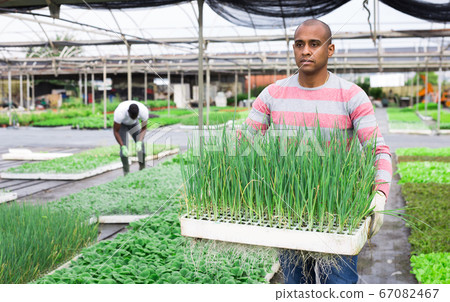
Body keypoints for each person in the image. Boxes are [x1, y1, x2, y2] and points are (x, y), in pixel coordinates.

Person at [242, 19, 392, 284]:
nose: (306, 51)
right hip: (288, 209)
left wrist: (379, 194)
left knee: (340, 284)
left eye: (314, 44)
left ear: (330, 50)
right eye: (299, 44)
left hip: (339, 212)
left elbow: (378, 150)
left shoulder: (351, 95)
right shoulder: (272, 94)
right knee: (297, 284)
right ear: (293, 49)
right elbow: (241, 144)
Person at [113, 100, 149, 175]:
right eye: (132, 117)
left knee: (141, 148)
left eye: (135, 117)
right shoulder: (120, 113)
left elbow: (144, 128)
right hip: (122, 124)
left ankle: (142, 169)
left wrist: (139, 141)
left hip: (134, 125)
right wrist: (122, 146)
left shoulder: (143, 111)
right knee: (123, 153)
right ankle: (126, 173)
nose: (133, 118)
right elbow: (116, 131)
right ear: (128, 112)